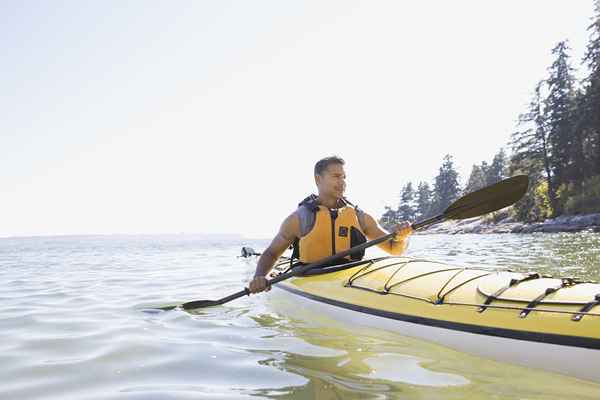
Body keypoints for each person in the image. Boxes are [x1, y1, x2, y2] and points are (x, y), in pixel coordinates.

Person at [248, 156, 413, 294]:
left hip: (349, 277)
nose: (342, 182)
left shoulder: (359, 217)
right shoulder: (300, 218)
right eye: (336, 176)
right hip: (310, 276)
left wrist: (402, 237)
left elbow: (394, 249)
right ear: (318, 179)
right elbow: (271, 253)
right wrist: (260, 277)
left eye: (344, 177)